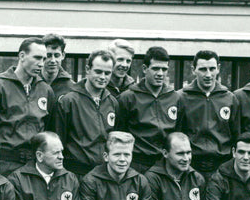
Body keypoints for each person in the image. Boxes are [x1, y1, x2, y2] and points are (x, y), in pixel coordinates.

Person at [0, 37, 55, 177]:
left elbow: (48, 129)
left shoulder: (46, 90)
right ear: (22, 56)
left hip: (35, 165)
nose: (41, 64)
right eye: (37, 58)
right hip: (5, 164)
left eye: (43, 59)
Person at [53, 49, 119, 177]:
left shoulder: (113, 102)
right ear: (88, 69)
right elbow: (59, 141)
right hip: (76, 172)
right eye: (98, 72)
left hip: (104, 174)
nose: (102, 77)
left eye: (107, 73)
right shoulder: (68, 101)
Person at [175, 50, 240, 175]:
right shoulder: (180, 97)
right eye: (203, 69)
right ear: (193, 70)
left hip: (222, 165)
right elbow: (176, 133)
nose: (208, 74)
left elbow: (236, 134)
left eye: (212, 69)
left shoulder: (230, 98)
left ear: (218, 69)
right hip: (190, 165)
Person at [117, 46, 180, 173]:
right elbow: (119, 132)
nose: (160, 74)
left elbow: (179, 131)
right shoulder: (128, 98)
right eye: (156, 68)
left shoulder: (176, 98)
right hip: (137, 164)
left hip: (165, 165)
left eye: (164, 69)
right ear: (145, 69)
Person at [41, 33, 75, 102]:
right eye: (48, 55)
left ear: (63, 55)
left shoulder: (71, 88)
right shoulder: (31, 82)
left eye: (56, 55)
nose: (53, 60)